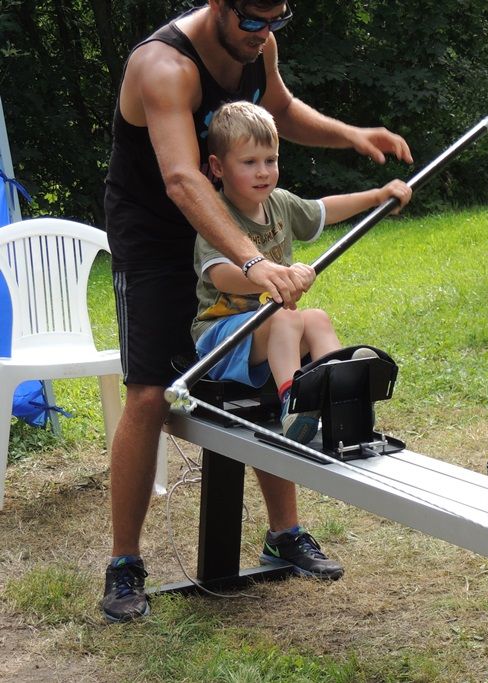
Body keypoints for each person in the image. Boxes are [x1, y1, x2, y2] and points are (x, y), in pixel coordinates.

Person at [101, 0, 412, 624]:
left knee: (280, 360)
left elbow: (282, 111)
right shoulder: (164, 67)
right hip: (159, 236)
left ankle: (285, 532)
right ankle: (125, 561)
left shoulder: (257, 42)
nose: (264, 34)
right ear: (217, 4)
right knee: (149, 396)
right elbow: (185, 179)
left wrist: (350, 134)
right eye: (252, 21)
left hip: (239, 223)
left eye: (277, 20)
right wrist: (253, 263)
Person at [193, 101, 411, 446]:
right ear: (218, 167)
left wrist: (377, 196)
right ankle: (294, 406)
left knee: (317, 318)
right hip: (221, 339)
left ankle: (345, 399)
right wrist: (275, 274)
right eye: (249, 163)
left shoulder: (279, 203)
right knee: (288, 318)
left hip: (267, 330)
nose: (263, 171)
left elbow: (322, 210)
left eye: (271, 160)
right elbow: (219, 275)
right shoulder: (216, 215)